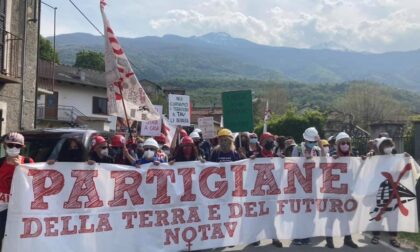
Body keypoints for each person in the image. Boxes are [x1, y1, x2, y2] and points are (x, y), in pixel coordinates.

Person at [324, 132, 359, 249]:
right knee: (331, 217)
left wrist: (363, 160)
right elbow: (324, 169)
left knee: (345, 217)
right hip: (333, 192)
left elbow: (358, 170)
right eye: (342, 143)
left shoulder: (353, 156)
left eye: (347, 143)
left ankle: (347, 239)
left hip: (347, 192)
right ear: (338, 144)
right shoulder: (333, 155)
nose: (345, 145)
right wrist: (331, 160)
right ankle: (329, 239)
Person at [0, 132, 33, 248]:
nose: (14, 148)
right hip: (2, 208)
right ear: (4, 146)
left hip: (20, 208)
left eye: (17, 146)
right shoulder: (0, 163)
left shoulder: (28, 162)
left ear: (22, 148)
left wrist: (21, 167)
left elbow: (35, 181)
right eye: (10, 145)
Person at [252, 131, 283, 248]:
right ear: (262, 143)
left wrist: (283, 161)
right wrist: (251, 160)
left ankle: (274, 238)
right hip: (259, 193)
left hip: (272, 193)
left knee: (272, 216)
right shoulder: (257, 157)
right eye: (267, 141)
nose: (270, 143)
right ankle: (255, 238)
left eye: (271, 141)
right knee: (258, 216)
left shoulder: (277, 157)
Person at [370, 137, 401, 248]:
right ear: (381, 148)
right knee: (378, 215)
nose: (388, 148)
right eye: (385, 146)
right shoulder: (375, 159)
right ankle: (376, 236)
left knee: (393, 218)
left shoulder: (397, 159)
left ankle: (393, 238)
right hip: (379, 193)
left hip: (393, 193)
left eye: (389, 145)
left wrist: (406, 160)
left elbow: (404, 174)